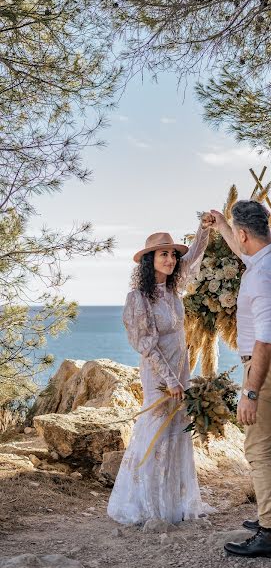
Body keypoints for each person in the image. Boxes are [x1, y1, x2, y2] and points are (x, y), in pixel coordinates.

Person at [107, 214, 214, 525]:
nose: (170, 259)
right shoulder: (138, 298)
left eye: (172, 254)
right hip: (158, 374)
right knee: (156, 434)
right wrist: (169, 380)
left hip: (181, 371)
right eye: (163, 253)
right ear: (149, 260)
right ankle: (151, 507)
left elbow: (194, 257)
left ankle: (174, 504)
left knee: (177, 432)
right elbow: (147, 346)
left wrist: (203, 229)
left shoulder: (174, 289)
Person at [211, 201, 271, 558]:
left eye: (237, 234)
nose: (238, 241)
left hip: (267, 367)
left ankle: (269, 535)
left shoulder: (263, 276)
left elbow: (265, 340)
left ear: (245, 233)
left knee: (258, 451)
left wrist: (250, 391)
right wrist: (222, 225)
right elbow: (244, 251)